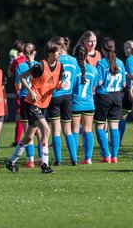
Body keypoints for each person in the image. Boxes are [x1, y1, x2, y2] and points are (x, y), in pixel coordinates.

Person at [6, 40, 65, 174]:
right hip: (32, 104)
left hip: (43, 104)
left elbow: (56, 85)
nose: (60, 53)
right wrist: (31, 91)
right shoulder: (40, 66)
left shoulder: (60, 66)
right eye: (57, 51)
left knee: (28, 137)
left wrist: (61, 85)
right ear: (50, 53)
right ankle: (45, 165)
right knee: (46, 130)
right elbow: (21, 77)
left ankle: (11, 162)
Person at [93, 38, 126, 164]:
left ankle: (106, 156)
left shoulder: (101, 63)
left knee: (99, 127)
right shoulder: (121, 63)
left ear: (102, 49)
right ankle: (115, 156)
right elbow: (123, 84)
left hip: (104, 96)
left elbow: (100, 82)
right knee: (114, 127)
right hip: (117, 96)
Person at [48, 36, 78, 166]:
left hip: (55, 95)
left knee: (56, 130)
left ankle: (58, 159)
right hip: (68, 96)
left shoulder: (55, 59)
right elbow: (76, 79)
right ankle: (74, 159)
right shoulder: (74, 60)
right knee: (68, 130)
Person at [15, 43, 43, 168]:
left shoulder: (20, 67)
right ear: (34, 53)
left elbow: (18, 86)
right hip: (38, 99)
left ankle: (30, 160)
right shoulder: (41, 65)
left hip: (25, 99)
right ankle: (42, 159)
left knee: (27, 132)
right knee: (41, 131)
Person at [71, 44, 98, 164]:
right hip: (89, 104)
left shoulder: (73, 69)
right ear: (86, 55)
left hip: (76, 103)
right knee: (88, 130)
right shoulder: (93, 69)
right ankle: (88, 158)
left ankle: (74, 158)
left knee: (74, 131)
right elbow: (93, 88)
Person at [8, 40, 26, 147]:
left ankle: (18, 140)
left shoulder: (17, 61)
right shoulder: (30, 60)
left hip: (20, 90)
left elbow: (9, 74)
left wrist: (11, 61)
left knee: (20, 115)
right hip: (31, 90)